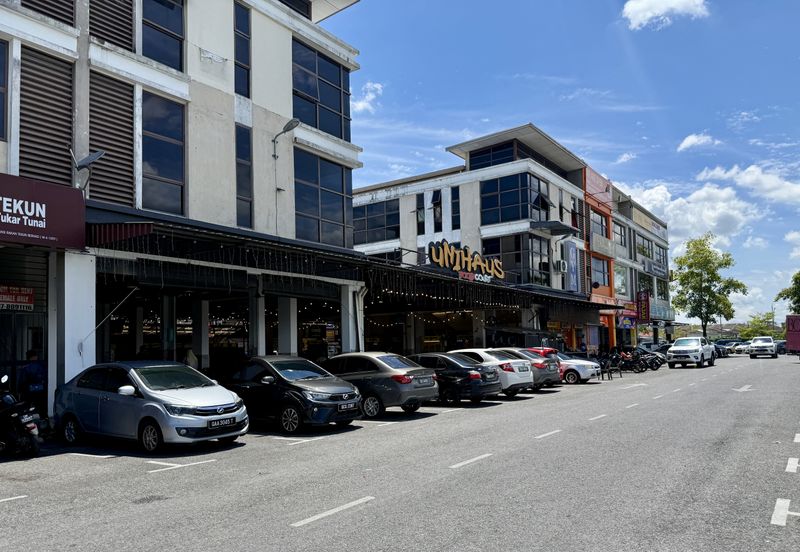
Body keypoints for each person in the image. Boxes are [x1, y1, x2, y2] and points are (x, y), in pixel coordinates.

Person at [18, 350, 46, 416]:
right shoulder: (40, 366)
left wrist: (19, 390)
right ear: (34, 357)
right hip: (39, 389)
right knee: (40, 406)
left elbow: (22, 380)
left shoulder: (25, 367)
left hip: (28, 390)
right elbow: (44, 377)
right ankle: (42, 417)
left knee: (26, 406)